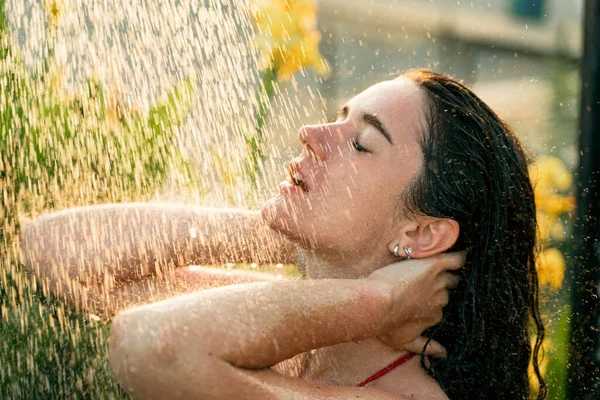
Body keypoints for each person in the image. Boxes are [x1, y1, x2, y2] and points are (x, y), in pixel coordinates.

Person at [20, 70, 546, 399]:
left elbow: (148, 345)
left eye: (361, 142)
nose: (313, 135)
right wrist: (282, 233)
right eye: (339, 117)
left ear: (423, 232)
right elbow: (50, 252)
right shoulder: (310, 343)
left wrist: (375, 303)